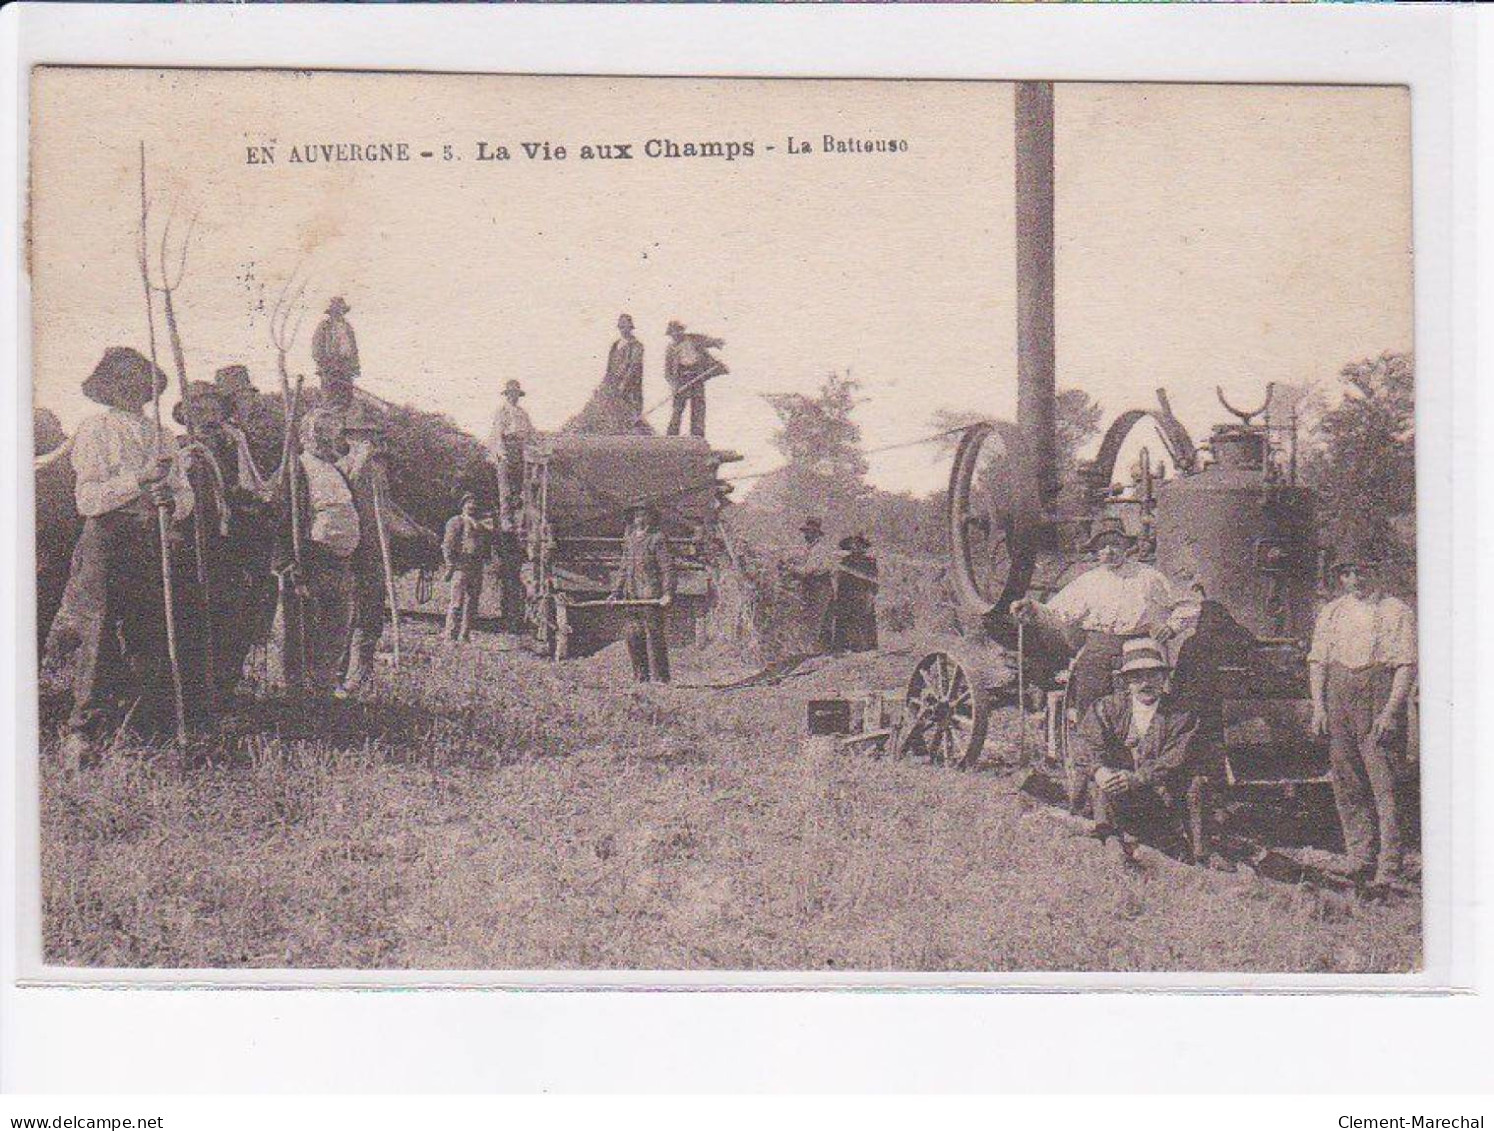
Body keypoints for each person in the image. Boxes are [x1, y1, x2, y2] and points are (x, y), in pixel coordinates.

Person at [58, 346, 196, 767]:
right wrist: (140, 480)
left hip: (151, 539)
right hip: (107, 538)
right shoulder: (94, 429)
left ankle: (141, 724)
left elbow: (184, 492)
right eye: (123, 379)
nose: (132, 386)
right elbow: (89, 499)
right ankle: (85, 731)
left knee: (149, 629)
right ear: (108, 386)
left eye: (139, 378)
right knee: (98, 632)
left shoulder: (163, 436)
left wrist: (170, 502)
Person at [1308, 545, 1417, 888]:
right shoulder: (1332, 611)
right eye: (1346, 573)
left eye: (1361, 572)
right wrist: (1319, 706)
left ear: (1376, 571)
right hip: (1339, 693)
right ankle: (1360, 856)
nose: (1354, 580)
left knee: (1384, 783)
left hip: (1377, 693)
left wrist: (1390, 711)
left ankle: (1390, 865)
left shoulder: (1396, 611)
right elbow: (1318, 661)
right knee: (1346, 780)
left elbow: (1405, 665)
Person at [1011, 517, 1196, 715]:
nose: (1109, 551)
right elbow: (1057, 611)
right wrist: (1031, 607)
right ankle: (1091, 740)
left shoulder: (1149, 577)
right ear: (1096, 552)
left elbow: (1189, 605)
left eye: (1115, 544)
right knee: (1090, 700)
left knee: (1144, 705)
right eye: (1102, 547)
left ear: (1126, 547)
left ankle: (1144, 742)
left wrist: (1171, 627)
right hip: (1099, 647)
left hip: (1140, 646)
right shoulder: (1088, 581)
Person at [1068, 636, 1206, 859]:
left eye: (1152, 675)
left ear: (1163, 677)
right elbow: (1085, 743)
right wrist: (1100, 771)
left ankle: (1197, 852)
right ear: (1125, 682)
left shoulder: (1182, 714)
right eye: (1136, 677)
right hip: (1115, 794)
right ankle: (1109, 838)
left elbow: (1176, 758)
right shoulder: (1106, 708)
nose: (1145, 683)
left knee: (1195, 783)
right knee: (1096, 779)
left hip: (1159, 794)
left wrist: (1139, 778)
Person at [337, 402, 434, 696]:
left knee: (370, 619)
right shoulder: (341, 468)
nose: (369, 442)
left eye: (373, 436)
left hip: (376, 555)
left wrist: (415, 530)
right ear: (348, 438)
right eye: (361, 435)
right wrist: (360, 463)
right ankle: (336, 678)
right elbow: (344, 499)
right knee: (346, 619)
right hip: (353, 554)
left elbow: (386, 510)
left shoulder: (378, 473)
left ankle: (359, 679)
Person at [276, 410, 359, 699]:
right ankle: (296, 689)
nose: (329, 439)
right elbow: (283, 516)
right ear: (309, 436)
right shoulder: (297, 468)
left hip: (340, 561)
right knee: (301, 627)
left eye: (333, 433)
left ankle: (323, 687)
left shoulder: (336, 471)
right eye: (322, 432)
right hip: (311, 559)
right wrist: (287, 562)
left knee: (336, 627)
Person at [609, 502, 675, 683]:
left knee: (655, 636)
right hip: (632, 596)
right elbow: (623, 567)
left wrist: (668, 592)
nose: (640, 518)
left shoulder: (657, 539)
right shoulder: (630, 539)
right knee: (633, 635)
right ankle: (640, 676)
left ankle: (661, 678)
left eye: (644, 514)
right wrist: (616, 592)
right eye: (637, 514)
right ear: (633, 518)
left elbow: (667, 568)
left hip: (651, 596)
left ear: (651, 518)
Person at [779, 517, 836, 654]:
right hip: (812, 586)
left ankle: (819, 651)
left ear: (816, 533)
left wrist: (788, 567)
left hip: (820, 586)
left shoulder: (820, 549)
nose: (806, 535)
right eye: (805, 532)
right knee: (812, 617)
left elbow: (807, 571)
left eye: (809, 532)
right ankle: (817, 650)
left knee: (817, 618)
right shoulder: (808, 548)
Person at [442, 493, 494, 642]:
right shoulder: (456, 522)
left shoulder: (482, 525)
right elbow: (448, 545)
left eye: (474, 503)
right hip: (461, 566)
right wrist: (450, 564)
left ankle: (465, 635)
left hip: (476, 566)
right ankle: (450, 635)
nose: (472, 506)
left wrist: (486, 559)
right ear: (463, 505)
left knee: (472, 602)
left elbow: (486, 546)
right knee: (457, 602)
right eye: (468, 503)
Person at [663, 320, 727, 438]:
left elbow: (708, 342)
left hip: (696, 377)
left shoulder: (693, 339)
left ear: (682, 331)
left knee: (698, 407)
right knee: (677, 408)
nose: (676, 335)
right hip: (681, 379)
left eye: (678, 331)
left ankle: (697, 436)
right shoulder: (670, 349)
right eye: (673, 333)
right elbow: (667, 372)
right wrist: (674, 385)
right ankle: (671, 436)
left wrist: (717, 343)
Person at [487, 379, 537, 525]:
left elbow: (531, 432)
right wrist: (502, 453)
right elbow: (498, 433)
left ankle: (519, 515)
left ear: (518, 395)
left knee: (520, 484)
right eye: (510, 393)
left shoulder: (522, 413)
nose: (513, 396)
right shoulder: (502, 411)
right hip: (506, 447)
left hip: (520, 448)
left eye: (515, 394)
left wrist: (537, 444)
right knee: (505, 486)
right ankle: (506, 518)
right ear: (507, 395)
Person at [830, 532, 879, 654]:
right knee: (844, 618)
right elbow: (839, 578)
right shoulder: (845, 561)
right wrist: (838, 593)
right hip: (846, 594)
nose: (856, 547)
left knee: (863, 618)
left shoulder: (870, 562)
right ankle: (842, 647)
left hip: (862, 594)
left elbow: (874, 580)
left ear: (864, 547)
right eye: (855, 544)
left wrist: (871, 595)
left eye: (860, 544)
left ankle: (864, 647)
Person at [311, 296, 360, 383]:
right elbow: (317, 348)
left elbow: (354, 349)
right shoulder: (324, 326)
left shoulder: (347, 327)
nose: (340, 314)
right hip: (329, 369)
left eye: (342, 311)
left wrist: (355, 367)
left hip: (346, 368)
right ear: (332, 312)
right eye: (337, 311)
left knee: (346, 394)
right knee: (331, 394)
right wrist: (324, 366)